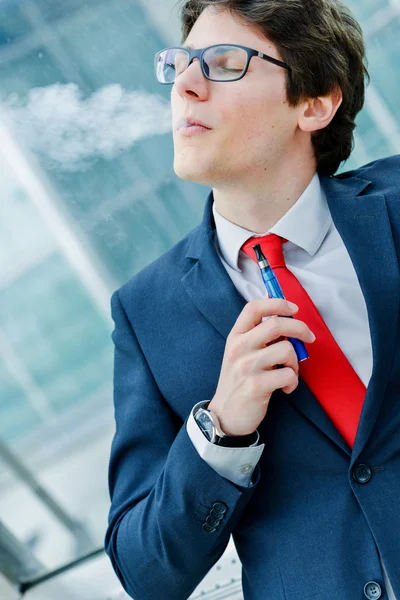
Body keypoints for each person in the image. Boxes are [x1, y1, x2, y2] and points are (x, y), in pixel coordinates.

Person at [104, 0, 400, 598]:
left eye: (222, 63)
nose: (185, 85)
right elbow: (146, 573)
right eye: (181, 64)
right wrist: (221, 431)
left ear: (315, 103)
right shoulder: (145, 313)